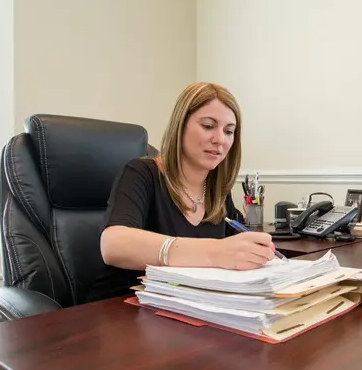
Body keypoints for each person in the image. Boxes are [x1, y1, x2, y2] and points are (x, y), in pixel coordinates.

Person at [100, 82, 276, 271]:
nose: (220, 140)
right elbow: (113, 245)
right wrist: (214, 252)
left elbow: (241, 241)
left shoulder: (217, 191)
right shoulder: (141, 173)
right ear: (180, 126)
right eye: (208, 126)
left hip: (189, 298)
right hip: (125, 297)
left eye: (229, 131)